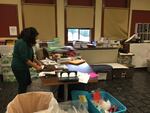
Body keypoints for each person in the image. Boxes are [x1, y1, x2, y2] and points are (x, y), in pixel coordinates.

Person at [11, 27, 42, 94]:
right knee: (22, 85)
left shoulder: (28, 43)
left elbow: (31, 56)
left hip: (24, 67)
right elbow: (25, 59)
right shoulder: (21, 42)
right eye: (35, 36)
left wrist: (39, 63)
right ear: (30, 36)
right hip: (19, 67)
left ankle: (25, 96)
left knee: (28, 82)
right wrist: (36, 67)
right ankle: (21, 100)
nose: (36, 38)